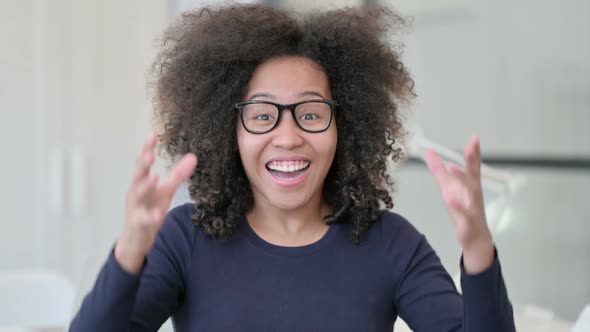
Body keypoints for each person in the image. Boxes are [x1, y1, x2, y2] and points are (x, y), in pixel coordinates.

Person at [70, 4, 516, 332]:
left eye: (311, 112)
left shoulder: (391, 242)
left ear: (345, 126)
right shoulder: (186, 236)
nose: (288, 137)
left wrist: (477, 247)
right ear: (230, 131)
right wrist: (130, 250)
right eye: (263, 115)